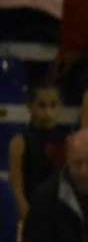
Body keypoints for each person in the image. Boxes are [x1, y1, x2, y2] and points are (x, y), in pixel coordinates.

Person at [8, 84, 67, 227]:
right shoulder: (20, 142)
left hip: (60, 213)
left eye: (53, 105)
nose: (48, 111)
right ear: (30, 106)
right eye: (42, 105)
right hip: (30, 210)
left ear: (61, 106)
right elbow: (17, 189)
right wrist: (30, 219)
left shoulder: (68, 142)